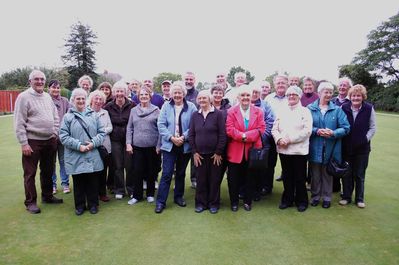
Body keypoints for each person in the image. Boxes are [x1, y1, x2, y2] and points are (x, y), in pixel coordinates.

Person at [14, 70, 63, 214]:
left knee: (48, 171)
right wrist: (24, 143)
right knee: (30, 173)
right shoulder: (23, 97)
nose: (40, 82)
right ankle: (30, 202)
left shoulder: (47, 96)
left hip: (49, 140)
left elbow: (55, 116)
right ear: (30, 81)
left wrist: (54, 132)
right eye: (37, 79)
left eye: (42, 79)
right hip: (32, 141)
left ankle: (47, 196)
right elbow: (19, 122)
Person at [59, 88, 105, 215]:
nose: (80, 101)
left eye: (83, 98)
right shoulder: (68, 117)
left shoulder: (94, 115)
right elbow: (63, 136)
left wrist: (93, 144)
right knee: (78, 181)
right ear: (73, 100)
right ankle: (79, 206)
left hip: (92, 153)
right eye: (77, 98)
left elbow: (102, 133)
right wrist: (79, 146)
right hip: (76, 154)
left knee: (93, 181)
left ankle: (93, 204)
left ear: (86, 100)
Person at [155, 81, 197, 213]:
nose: (177, 95)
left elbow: (194, 126)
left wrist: (183, 137)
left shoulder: (191, 107)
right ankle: (161, 202)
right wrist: (171, 138)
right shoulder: (166, 106)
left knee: (180, 173)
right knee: (166, 174)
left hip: (184, 145)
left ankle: (178, 197)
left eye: (179, 92)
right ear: (171, 94)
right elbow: (161, 124)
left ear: (184, 93)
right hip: (169, 145)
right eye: (175, 93)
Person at [308, 82, 350, 209]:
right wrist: (317, 131)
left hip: (331, 148)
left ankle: (326, 198)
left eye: (330, 92)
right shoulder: (310, 108)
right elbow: (305, 126)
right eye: (326, 92)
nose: (328, 95)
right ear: (319, 93)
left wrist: (333, 133)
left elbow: (346, 128)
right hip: (314, 146)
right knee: (315, 174)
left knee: (327, 174)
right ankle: (315, 197)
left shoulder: (337, 110)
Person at [272, 86, 312, 212]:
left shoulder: (305, 111)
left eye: (294, 94)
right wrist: (279, 139)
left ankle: (301, 201)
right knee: (287, 176)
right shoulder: (281, 110)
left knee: (300, 177)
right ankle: (287, 199)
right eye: (289, 95)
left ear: (299, 96)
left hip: (299, 150)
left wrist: (289, 140)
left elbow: (307, 131)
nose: (291, 97)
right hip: (284, 150)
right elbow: (274, 129)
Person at [226, 85, 266, 211]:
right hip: (235, 151)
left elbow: (261, 129)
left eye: (247, 95)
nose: (245, 98)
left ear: (251, 97)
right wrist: (242, 136)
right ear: (238, 97)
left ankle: (248, 202)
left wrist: (245, 136)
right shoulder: (231, 111)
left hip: (253, 150)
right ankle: (234, 202)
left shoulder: (258, 111)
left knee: (250, 178)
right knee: (233, 179)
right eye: (242, 95)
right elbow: (229, 129)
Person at [189, 90, 226, 214]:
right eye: (199, 98)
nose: (202, 100)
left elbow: (222, 134)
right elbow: (191, 134)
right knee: (201, 180)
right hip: (199, 154)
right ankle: (201, 203)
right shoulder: (195, 115)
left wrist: (218, 152)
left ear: (210, 99)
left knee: (214, 180)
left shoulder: (219, 114)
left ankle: (213, 204)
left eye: (204, 98)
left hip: (215, 155)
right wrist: (194, 152)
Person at [340, 85, 376, 208]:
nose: (356, 98)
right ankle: (346, 197)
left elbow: (372, 128)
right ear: (350, 97)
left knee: (359, 175)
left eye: (358, 95)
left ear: (362, 97)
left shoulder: (369, 108)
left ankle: (359, 199)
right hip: (346, 147)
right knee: (346, 174)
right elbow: (340, 124)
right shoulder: (344, 107)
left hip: (362, 149)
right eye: (353, 95)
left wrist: (364, 139)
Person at [126, 86, 160, 205]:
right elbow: (129, 128)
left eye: (146, 94)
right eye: (141, 95)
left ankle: (150, 194)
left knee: (151, 171)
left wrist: (159, 145)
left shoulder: (156, 110)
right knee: (137, 171)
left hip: (152, 146)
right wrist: (128, 143)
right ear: (138, 97)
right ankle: (137, 196)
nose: (144, 97)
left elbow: (160, 129)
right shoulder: (133, 110)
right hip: (137, 146)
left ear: (150, 96)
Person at [103, 81, 136, 200]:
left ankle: (131, 189)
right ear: (114, 93)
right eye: (117, 91)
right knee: (117, 166)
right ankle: (119, 189)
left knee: (130, 165)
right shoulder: (108, 106)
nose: (119, 94)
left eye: (122, 91)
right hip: (115, 140)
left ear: (126, 92)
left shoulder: (133, 105)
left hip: (129, 140)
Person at [250, 82, 275, 198]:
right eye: (253, 92)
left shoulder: (266, 105)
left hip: (262, 141)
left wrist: (262, 136)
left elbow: (270, 121)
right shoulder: (243, 103)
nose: (254, 94)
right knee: (247, 166)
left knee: (260, 166)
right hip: (246, 141)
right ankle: (247, 189)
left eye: (257, 92)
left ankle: (258, 190)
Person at [88, 90, 113, 202]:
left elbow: (110, 127)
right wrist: (100, 131)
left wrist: (99, 131)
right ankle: (92, 193)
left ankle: (102, 193)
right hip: (91, 146)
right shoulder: (86, 112)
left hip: (104, 146)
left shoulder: (105, 113)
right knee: (92, 171)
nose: (98, 101)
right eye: (96, 99)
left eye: (100, 100)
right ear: (92, 99)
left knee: (103, 170)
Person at [48, 79, 71, 194]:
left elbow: (70, 114)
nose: (56, 89)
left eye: (58, 87)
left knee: (63, 161)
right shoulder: (45, 100)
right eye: (53, 87)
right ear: (49, 89)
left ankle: (65, 184)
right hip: (50, 137)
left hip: (63, 136)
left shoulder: (65, 101)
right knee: (51, 162)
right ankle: (52, 185)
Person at [265, 75, 289, 182]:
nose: (280, 85)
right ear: (274, 85)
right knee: (270, 162)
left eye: (283, 83)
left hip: (286, 135)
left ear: (287, 84)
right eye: (278, 83)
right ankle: (267, 186)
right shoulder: (268, 98)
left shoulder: (291, 96)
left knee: (288, 162)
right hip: (271, 134)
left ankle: (289, 188)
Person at [184, 71, 199, 188]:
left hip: (196, 131)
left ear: (194, 80)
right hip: (181, 132)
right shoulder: (180, 93)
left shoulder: (198, 94)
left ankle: (194, 179)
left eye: (191, 79)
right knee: (181, 159)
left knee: (194, 156)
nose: (189, 81)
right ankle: (180, 180)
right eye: (187, 79)